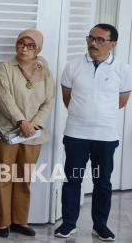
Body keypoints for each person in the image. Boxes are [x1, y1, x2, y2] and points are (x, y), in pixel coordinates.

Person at [55, 24, 132, 241]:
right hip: (76, 133)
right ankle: (69, 224)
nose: (93, 43)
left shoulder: (123, 69)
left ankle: (100, 225)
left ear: (113, 44)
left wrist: (99, 114)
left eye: (100, 40)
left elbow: (121, 101)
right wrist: (84, 114)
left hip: (106, 136)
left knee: (103, 182)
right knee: (73, 179)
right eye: (90, 38)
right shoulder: (74, 65)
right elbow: (66, 97)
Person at [0, 29, 55, 238]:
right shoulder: (5, 68)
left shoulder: (44, 70)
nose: (24, 48)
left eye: (30, 45)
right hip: (7, 132)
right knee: (3, 177)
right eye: (21, 43)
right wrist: (21, 122)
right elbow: (4, 99)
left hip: (32, 135)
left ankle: (20, 221)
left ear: (38, 49)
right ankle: (1, 222)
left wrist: (34, 125)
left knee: (24, 178)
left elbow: (49, 101)